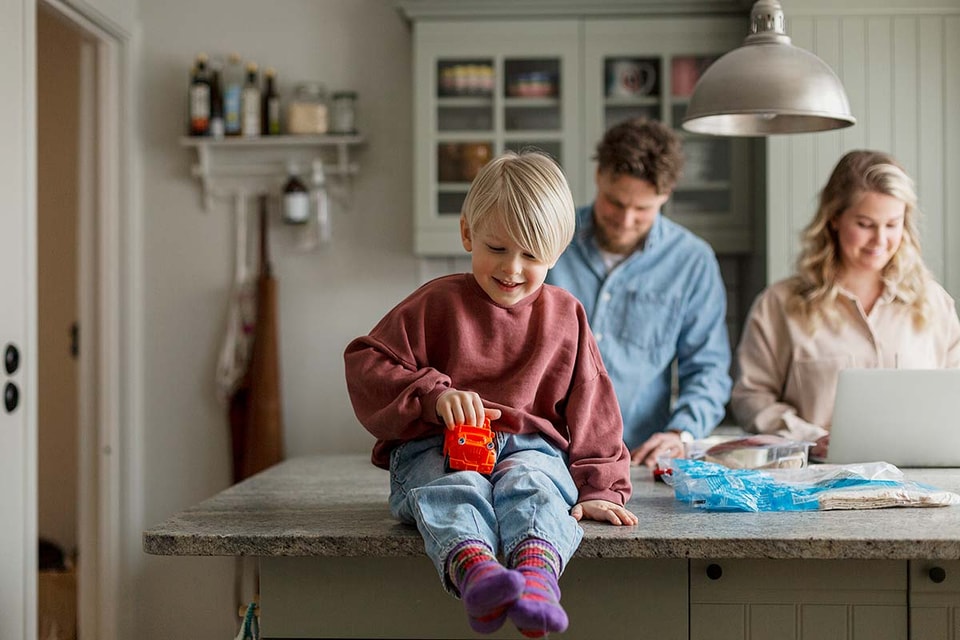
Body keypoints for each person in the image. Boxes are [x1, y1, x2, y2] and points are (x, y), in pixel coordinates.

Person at [344, 150, 637, 638]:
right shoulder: (435, 302)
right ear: (467, 234)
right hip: (436, 449)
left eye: (532, 255)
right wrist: (433, 397)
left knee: (536, 485)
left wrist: (602, 488)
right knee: (453, 489)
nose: (513, 269)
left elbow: (594, 406)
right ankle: (477, 574)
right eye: (497, 248)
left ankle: (537, 579)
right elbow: (365, 364)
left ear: (557, 252)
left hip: (528, 448)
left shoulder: (567, 316)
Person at [731, 150, 960, 460]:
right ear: (835, 218)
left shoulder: (934, 303)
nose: (880, 240)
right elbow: (750, 398)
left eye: (893, 224)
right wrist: (810, 438)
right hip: (817, 486)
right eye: (865, 224)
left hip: (921, 487)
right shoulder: (780, 304)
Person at [546, 117, 732, 468]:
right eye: (615, 202)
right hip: (545, 451)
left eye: (643, 209)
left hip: (636, 461)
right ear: (599, 175)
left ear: (666, 194)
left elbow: (708, 370)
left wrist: (681, 433)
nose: (626, 219)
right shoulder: (551, 239)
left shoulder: (692, 261)